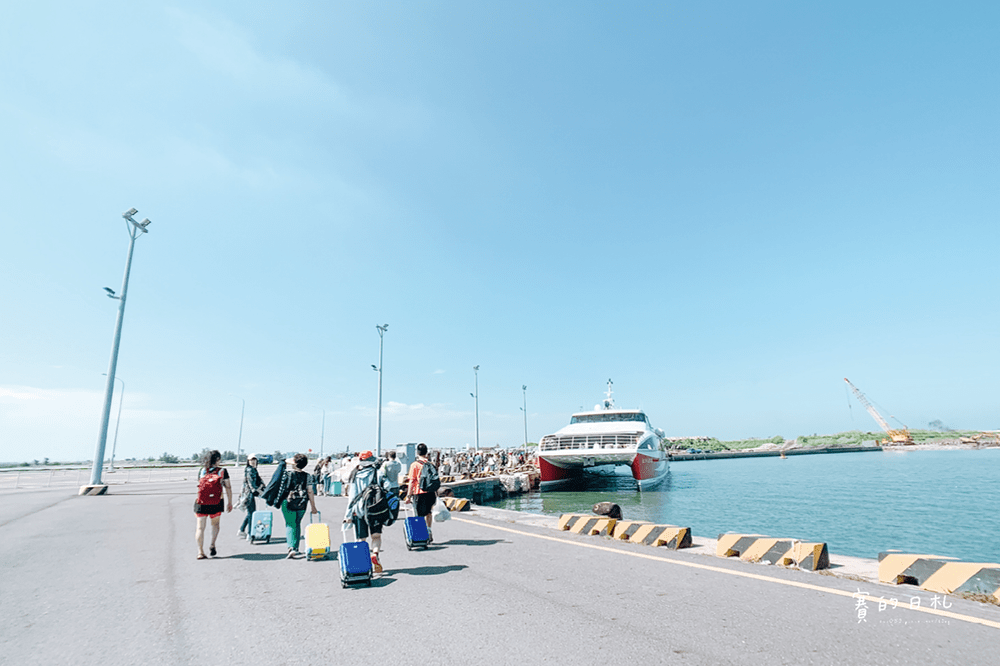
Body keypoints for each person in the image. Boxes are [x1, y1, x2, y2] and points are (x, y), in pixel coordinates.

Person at [344, 451, 385, 573]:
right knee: (376, 536)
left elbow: (352, 497)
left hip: (359, 510)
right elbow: (386, 488)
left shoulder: (355, 474)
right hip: (375, 509)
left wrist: (348, 515)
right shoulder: (378, 472)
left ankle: (364, 563)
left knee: (361, 539)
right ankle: (375, 554)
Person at [275, 453, 318, 559]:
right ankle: (296, 548)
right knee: (297, 523)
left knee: (290, 524)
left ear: (294, 463)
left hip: (288, 502)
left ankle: (291, 547)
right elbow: (310, 491)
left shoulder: (287, 474)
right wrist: (313, 506)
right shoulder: (308, 476)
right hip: (302, 503)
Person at [194, 450, 233, 560]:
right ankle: (212, 544)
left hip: (201, 502)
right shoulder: (222, 471)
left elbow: (200, 485)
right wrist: (229, 502)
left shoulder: (202, 471)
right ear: (218, 460)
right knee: (215, 524)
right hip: (216, 502)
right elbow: (228, 487)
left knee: (200, 528)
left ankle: (200, 552)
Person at [405, 443, 436, 544]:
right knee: (429, 513)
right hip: (431, 493)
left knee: (419, 515)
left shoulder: (414, 465)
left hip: (419, 493)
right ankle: (429, 530)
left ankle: (422, 535)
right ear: (426, 452)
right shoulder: (431, 464)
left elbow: (412, 481)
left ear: (417, 452)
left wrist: (409, 496)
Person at [238, 455, 266, 537]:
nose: (253, 461)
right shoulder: (250, 470)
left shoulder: (253, 470)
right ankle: (250, 534)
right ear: (248, 461)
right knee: (251, 513)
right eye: (251, 460)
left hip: (249, 493)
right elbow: (252, 485)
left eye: (254, 460)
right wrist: (260, 491)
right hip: (248, 494)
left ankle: (241, 530)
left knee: (251, 512)